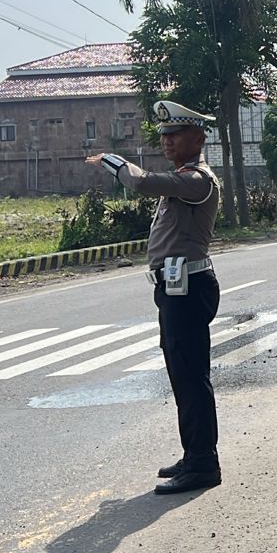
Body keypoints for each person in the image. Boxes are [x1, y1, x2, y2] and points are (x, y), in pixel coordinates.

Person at [86, 100, 223, 495]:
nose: (166, 141)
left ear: (196, 138)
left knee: (192, 378)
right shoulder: (183, 177)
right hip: (174, 287)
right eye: (163, 135)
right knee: (181, 376)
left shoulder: (198, 180)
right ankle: (193, 453)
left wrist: (111, 160)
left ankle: (203, 464)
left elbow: (142, 182)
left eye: (174, 134)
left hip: (189, 288)